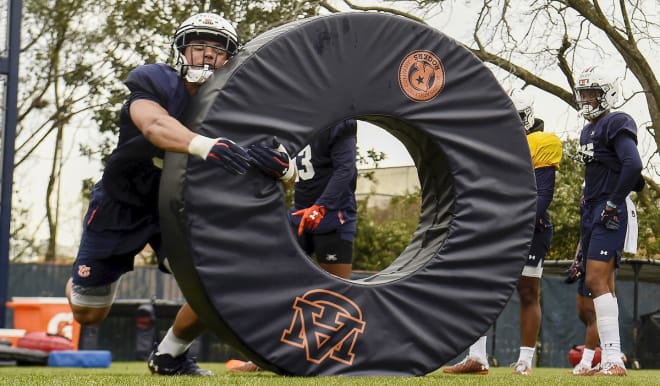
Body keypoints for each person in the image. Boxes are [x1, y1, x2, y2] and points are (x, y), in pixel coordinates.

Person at [65, 12, 292, 376]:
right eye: (198, 46)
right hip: (122, 203)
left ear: (229, 60)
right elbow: (154, 125)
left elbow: (283, 163)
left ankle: (169, 356)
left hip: (180, 207)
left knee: (220, 281)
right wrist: (203, 144)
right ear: (181, 51)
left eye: (217, 50)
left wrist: (283, 166)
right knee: (89, 313)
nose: (206, 56)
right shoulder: (157, 81)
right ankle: (81, 279)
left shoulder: (238, 103)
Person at [442, 88, 562, 376]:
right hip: (500, 225)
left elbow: (543, 197)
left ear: (526, 116)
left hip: (530, 227)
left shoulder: (540, 142)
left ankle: (524, 361)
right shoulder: (495, 145)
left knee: (527, 291)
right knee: (481, 288)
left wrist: (509, 222)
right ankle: (477, 357)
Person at [226, 119, 359, 373]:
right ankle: (264, 357)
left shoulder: (340, 122)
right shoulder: (296, 119)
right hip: (299, 214)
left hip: (332, 215)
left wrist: (323, 206)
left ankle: (331, 360)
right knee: (272, 283)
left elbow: (346, 169)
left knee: (336, 295)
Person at [572, 64, 643, 376]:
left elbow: (633, 165)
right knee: (604, 285)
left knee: (595, 281)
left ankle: (613, 358)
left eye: (592, 93)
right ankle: (611, 357)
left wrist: (612, 202)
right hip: (593, 207)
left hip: (609, 208)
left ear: (607, 94)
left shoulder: (617, 121)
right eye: (583, 93)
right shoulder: (587, 130)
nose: (586, 99)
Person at [566, 195, 638, 375]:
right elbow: (585, 233)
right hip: (588, 252)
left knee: (593, 313)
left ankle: (593, 360)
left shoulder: (608, 188)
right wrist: (577, 259)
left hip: (603, 247)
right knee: (583, 311)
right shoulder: (588, 195)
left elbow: (634, 171)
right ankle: (609, 356)